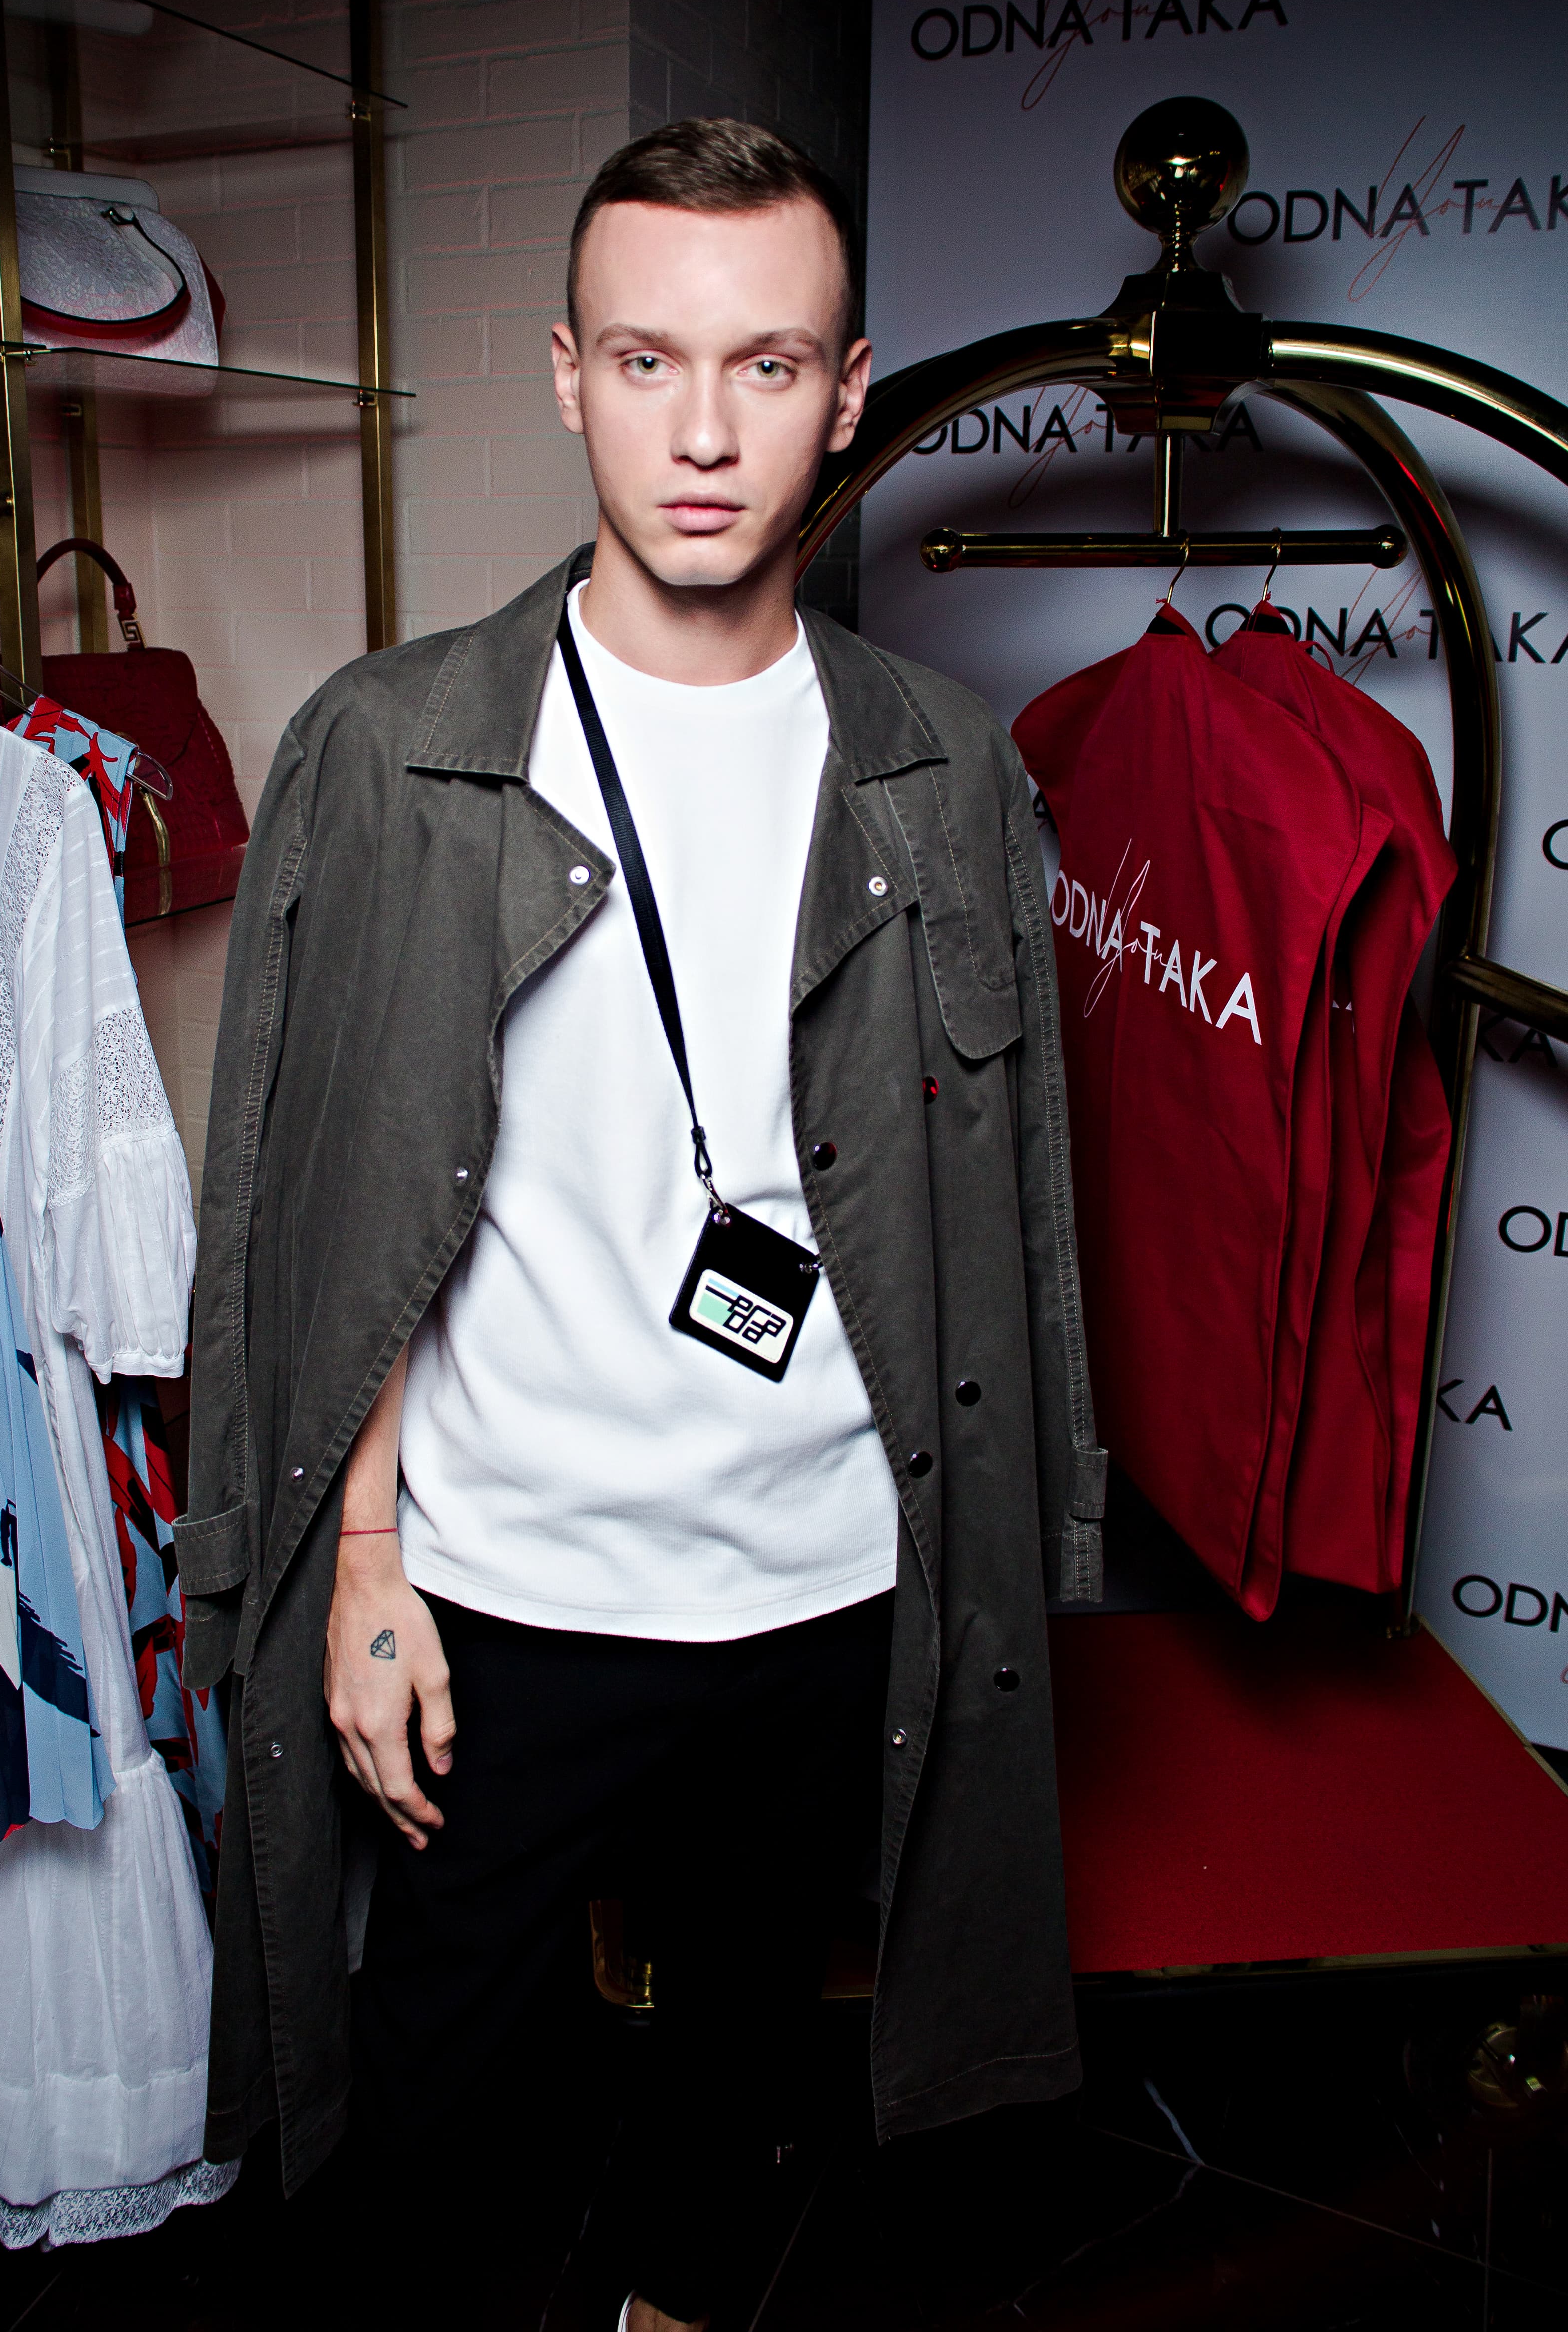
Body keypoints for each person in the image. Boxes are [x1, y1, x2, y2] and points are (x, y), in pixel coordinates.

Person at [178, 118, 1106, 2329]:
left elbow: (1013, 1211)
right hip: (510, 1583)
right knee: (433, 2102)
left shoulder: (942, 762)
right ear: (568, 373)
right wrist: (366, 1569)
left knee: (737, 2080)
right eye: (647, 361)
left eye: (766, 366)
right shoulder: (392, 750)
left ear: (847, 391)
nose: (704, 434)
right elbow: (320, 1211)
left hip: (827, 1577)